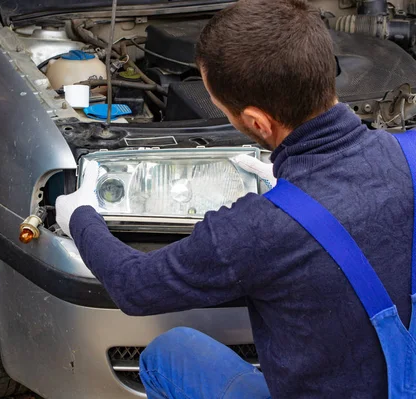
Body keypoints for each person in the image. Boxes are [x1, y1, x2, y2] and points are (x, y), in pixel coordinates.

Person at [55, 0, 416, 397]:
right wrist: (290, 178)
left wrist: (80, 218)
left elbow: (133, 286)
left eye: (221, 106)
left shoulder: (256, 229)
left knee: (169, 354)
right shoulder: (410, 155)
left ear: (258, 122)